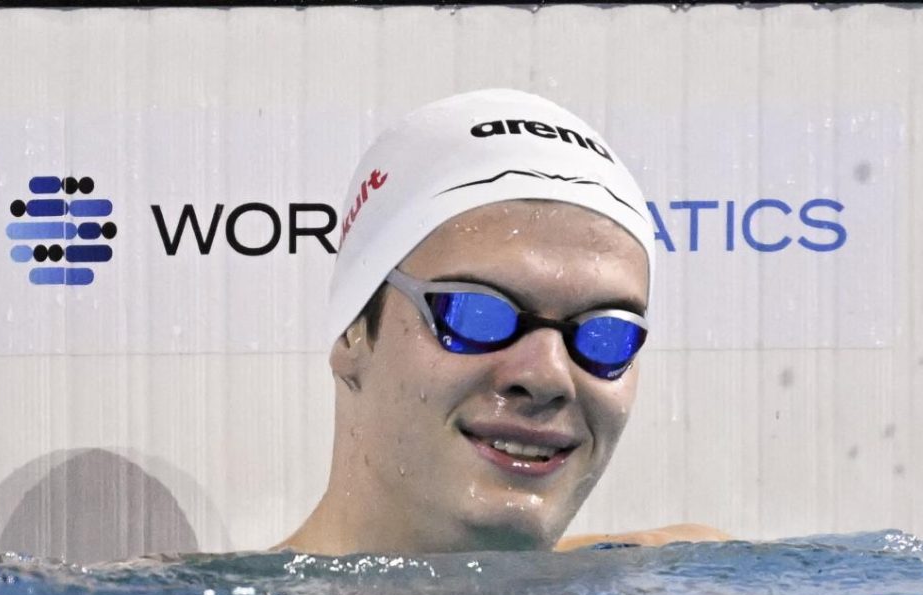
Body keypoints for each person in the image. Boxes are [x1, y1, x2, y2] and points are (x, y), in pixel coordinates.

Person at [276, 89, 728, 555]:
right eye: (477, 313)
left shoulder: (688, 575)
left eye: (605, 333)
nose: (548, 376)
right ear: (354, 333)